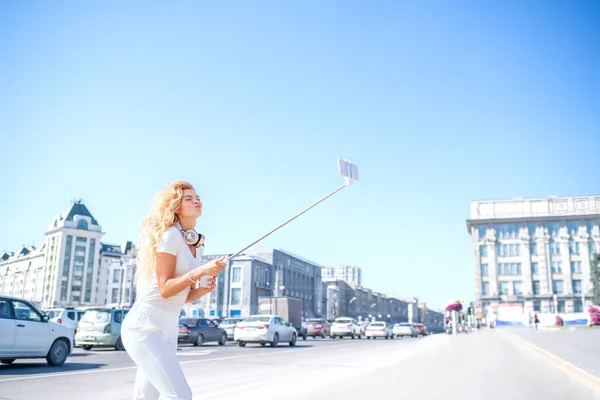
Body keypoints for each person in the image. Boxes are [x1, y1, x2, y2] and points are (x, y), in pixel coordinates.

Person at [121, 180, 227, 400]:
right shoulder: (170, 236)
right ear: (175, 206)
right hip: (144, 328)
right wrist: (199, 273)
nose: (197, 200)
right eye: (189, 198)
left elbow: (181, 297)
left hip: (168, 330)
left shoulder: (197, 244)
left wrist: (202, 290)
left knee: (145, 397)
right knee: (179, 396)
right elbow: (164, 289)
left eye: (197, 197)